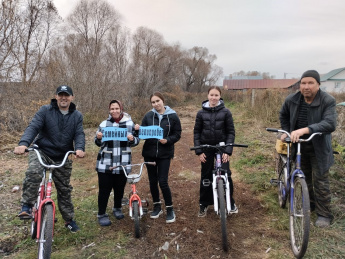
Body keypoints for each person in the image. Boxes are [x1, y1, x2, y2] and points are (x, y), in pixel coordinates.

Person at [14, 85, 85, 233]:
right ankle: (27, 206)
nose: (64, 98)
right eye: (61, 95)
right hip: (42, 151)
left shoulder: (77, 115)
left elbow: (79, 134)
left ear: (72, 97)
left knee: (64, 189)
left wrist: (79, 148)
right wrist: (23, 144)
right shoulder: (45, 110)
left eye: (67, 95)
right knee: (34, 173)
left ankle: (69, 220)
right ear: (56, 96)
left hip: (63, 155)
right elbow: (33, 127)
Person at [279, 70, 337, 228]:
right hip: (299, 147)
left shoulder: (327, 100)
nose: (306, 86)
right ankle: (309, 204)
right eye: (303, 83)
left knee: (320, 181)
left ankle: (324, 214)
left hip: (318, 148)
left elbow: (330, 123)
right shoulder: (292, 99)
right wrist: (285, 131)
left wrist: (305, 130)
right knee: (304, 177)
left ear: (318, 84)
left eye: (311, 83)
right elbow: (283, 115)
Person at [135, 92, 181, 223]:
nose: (156, 104)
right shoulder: (148, 115)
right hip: (149, 153)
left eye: (158, 101)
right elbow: (141, 133)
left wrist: (168, 140)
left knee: (163, 181)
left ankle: (170, 208)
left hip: (165, 154)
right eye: (153, 102)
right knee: (152, 181)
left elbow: (177, 133)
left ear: (163, 101)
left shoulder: (173, 116)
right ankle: (157, 206)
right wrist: (138, 129)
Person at [193, 86, 237, 217]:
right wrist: (199, 151)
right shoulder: (200, 113)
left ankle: (230, 202)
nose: (213, 98)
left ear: (220, 96)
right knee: (205, 176)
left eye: (216, 95)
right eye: (211, 95)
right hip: (206, 147)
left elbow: (230, 132)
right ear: (207, 96)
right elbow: (196, 132)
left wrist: (227, 151)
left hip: (222, 148)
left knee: (226, 175)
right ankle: (204, 204)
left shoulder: (226, 112)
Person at [94, 100, 139, 226]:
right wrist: (98, 138)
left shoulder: (129, 123)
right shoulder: (104, 124)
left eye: (116, 108)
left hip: (123, 162)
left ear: (121, 109)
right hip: (105, 163)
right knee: (104, 189)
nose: (114, 111)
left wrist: (132, 139)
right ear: (109, 110)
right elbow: (97, 142)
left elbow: (136, 140)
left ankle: (117, 208)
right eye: (112, 109)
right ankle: (101, 214)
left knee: (119, 188)